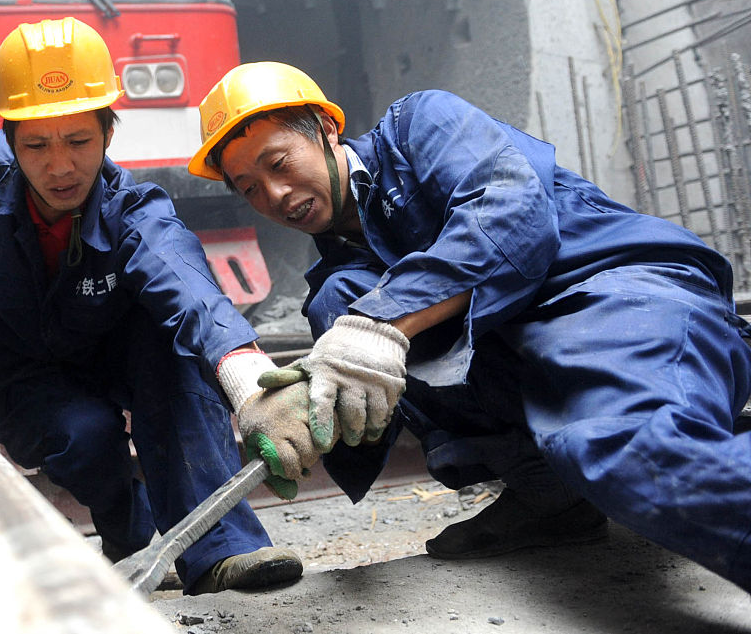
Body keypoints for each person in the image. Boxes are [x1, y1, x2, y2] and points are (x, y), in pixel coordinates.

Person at [186, 60, 751, 591]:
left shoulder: (420, 124)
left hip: (615, 295)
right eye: (249, 187)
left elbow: (511, 214)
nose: (275, 195)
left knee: (623, 449)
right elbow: (369, 407)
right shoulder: (342, 284)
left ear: (325, 130)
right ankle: (552, 497)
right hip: (535, 346)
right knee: (342, 307)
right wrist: (309, 414)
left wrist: (380, 323)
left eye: (279, 163)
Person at [0, 18, 303, 594]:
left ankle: (221, 552)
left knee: (177, 366)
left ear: (108, 134)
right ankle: (129, 538)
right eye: (36, 145)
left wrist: (248, 382)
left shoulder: (132, 206)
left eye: (78, 141)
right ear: (9, 140)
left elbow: (189, 288)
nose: (60, 167)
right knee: (85, 437)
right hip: (27, 374)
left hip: (121, 355)